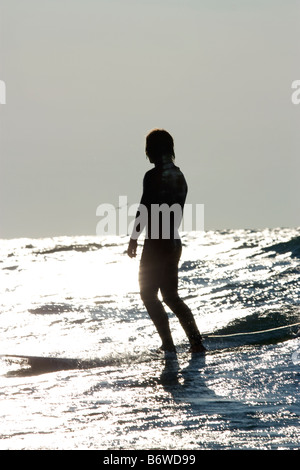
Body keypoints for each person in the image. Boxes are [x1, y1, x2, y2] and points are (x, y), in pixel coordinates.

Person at [127, 129, 206, 353]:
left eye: (148, 149)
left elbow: (144, 208)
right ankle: (196, 342)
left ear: (152, 150)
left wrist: (133, 239)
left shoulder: (152, 176)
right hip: (173, 241)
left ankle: (169, 345)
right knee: (171, 296)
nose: (147, 154)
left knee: (148, 294)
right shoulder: (180, 176)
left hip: (156, 243)